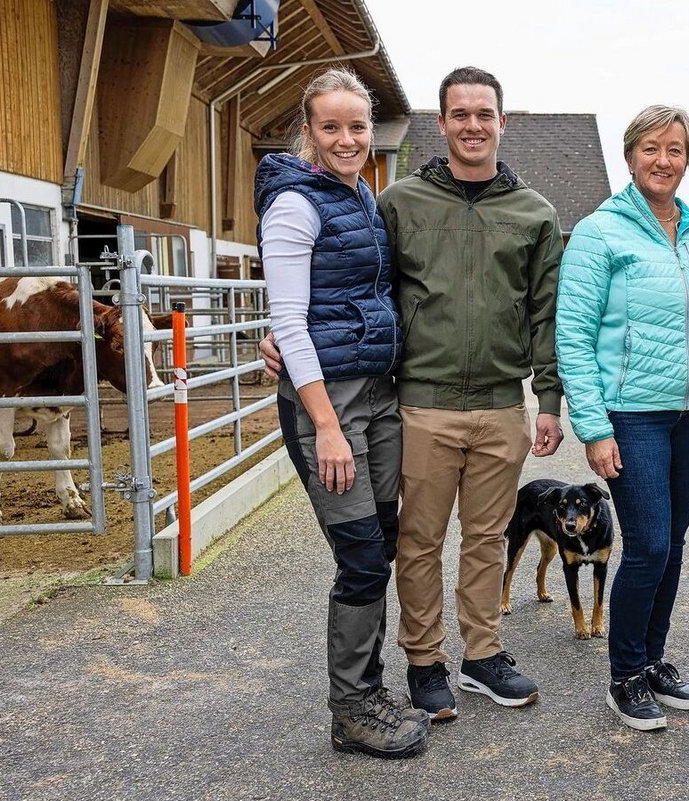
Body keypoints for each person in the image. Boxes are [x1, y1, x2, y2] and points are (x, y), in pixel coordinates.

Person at [262, 66, 564, 721]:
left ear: (502, 122)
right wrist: (284, 334)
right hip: (420, 404)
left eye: (485, 114)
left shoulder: (535, 213)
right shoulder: (398, 203)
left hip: (500, 405)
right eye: (460, 113)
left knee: (487, 538)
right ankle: (424, 662)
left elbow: (546, 314)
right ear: (442, 122)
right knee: (417, 542)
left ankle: (483, 655)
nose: (473, 125)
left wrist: (548, 400)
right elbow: (352, 280)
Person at [254, 67, 427, 759]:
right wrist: (325, 423)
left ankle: (366, 686)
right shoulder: (297, 203)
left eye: (357, 125)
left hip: (378, 393)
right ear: (310, 129)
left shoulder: (360, 195)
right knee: (359, 555)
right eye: (332, 126)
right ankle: (351, 708)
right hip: (330, 403)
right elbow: (289, 324)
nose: (348, 138)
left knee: (379, 543)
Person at [556, 105, 689, 732]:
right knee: (650, 545)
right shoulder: (599, 232)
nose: (663, 161)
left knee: (673, 547)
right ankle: (626, 674)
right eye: (650, 149)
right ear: (629, 154)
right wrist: (595, 427)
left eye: (675, 150)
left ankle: (655, 660)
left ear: (687, 159)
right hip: (632, 416)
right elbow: (574, 338)